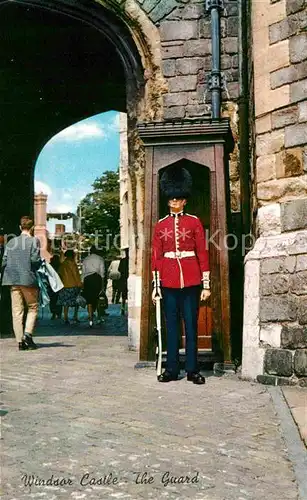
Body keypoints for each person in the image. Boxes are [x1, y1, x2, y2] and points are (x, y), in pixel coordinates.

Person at [152, 165, 211, 384]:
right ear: (168, 200)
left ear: (184, 200)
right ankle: (172, 369)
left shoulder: (194, 222)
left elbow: (202, 253)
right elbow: (156, 256)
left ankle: (192, 369)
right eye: (171, 200)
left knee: (191, 325)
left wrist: (206, 284)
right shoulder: (160, 225)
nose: (174, 203)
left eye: (178, 199)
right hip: (168, 282)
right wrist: (156, 286)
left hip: (192, 280)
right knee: (172, 326)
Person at [1, 216, 41, 350]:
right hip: (27, 279)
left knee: (16, 311)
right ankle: (28, 334)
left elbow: (4, 261)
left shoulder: (11, 242)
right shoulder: (34, 241)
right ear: (32, 228)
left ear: (20, 227)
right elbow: (35, 260)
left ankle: (20, 341)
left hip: (12, 279)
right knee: (33, 307)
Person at [57, 249, 82, 324]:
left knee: (65, 303)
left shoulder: (63, 264)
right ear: (72, 256)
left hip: (64, 285)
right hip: (73, 285)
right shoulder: (73, 264)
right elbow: (76, 275)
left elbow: (59, 274)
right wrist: (79, 284)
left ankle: (65, 317)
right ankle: (75, 316)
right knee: (76, 301)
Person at [82, 245, 105, 327]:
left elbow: (83, 273)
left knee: (89, 300)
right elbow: (102, 273)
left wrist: (82, 284)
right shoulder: (100, 259)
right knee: (98, 298)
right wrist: (102, 286)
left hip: (87, 280)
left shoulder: (85, 259)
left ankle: (90, 319)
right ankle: (98, 317)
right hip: (97, 279)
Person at [49, 254, 62, 319]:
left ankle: (53, 313)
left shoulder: (50, 266)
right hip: (59, 285)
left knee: (52, 300)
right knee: (58, 299)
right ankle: (59, 313)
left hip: (51, 285)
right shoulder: (60, 266)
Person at [118, 248, 129, 316]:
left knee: (124, 295)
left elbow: (119, 269)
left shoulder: (123, 260)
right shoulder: (130, 260)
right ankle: (124, 308)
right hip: (126, 278)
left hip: (123, 278)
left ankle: (122, 308)